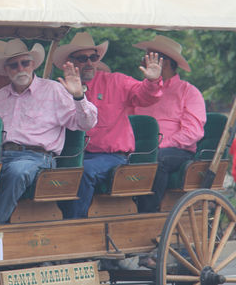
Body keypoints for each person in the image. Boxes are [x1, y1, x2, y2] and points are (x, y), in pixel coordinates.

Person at [0, 39, 98, 224]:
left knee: (17, 171)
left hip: (37, 158)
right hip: (2, 156)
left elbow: (86, 123)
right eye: (14, 65)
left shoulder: (53, 89)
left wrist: (79, 96)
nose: (20, 68)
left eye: (25, 63)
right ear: (6, 70)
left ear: (33, 65)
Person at [53, 32, 163, 219]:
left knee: (83, 171)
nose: (89, 62)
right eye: (82, 58)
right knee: (47, 172)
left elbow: (145, 97)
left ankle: (74, 225)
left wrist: (152, 81)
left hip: (112, 157)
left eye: (93, 57)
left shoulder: (116, 81)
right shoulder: (60, 89)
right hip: (75, 156)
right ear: (70, 62)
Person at [133, 35, 206, 212]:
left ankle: (148, 214)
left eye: (148, 56)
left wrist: (160, 145)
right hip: (140, 150)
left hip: (177, 152)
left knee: (158, 159)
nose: (143, 60)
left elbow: (193, 132)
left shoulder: (189, 91)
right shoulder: (140, 89)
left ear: (162, 62)